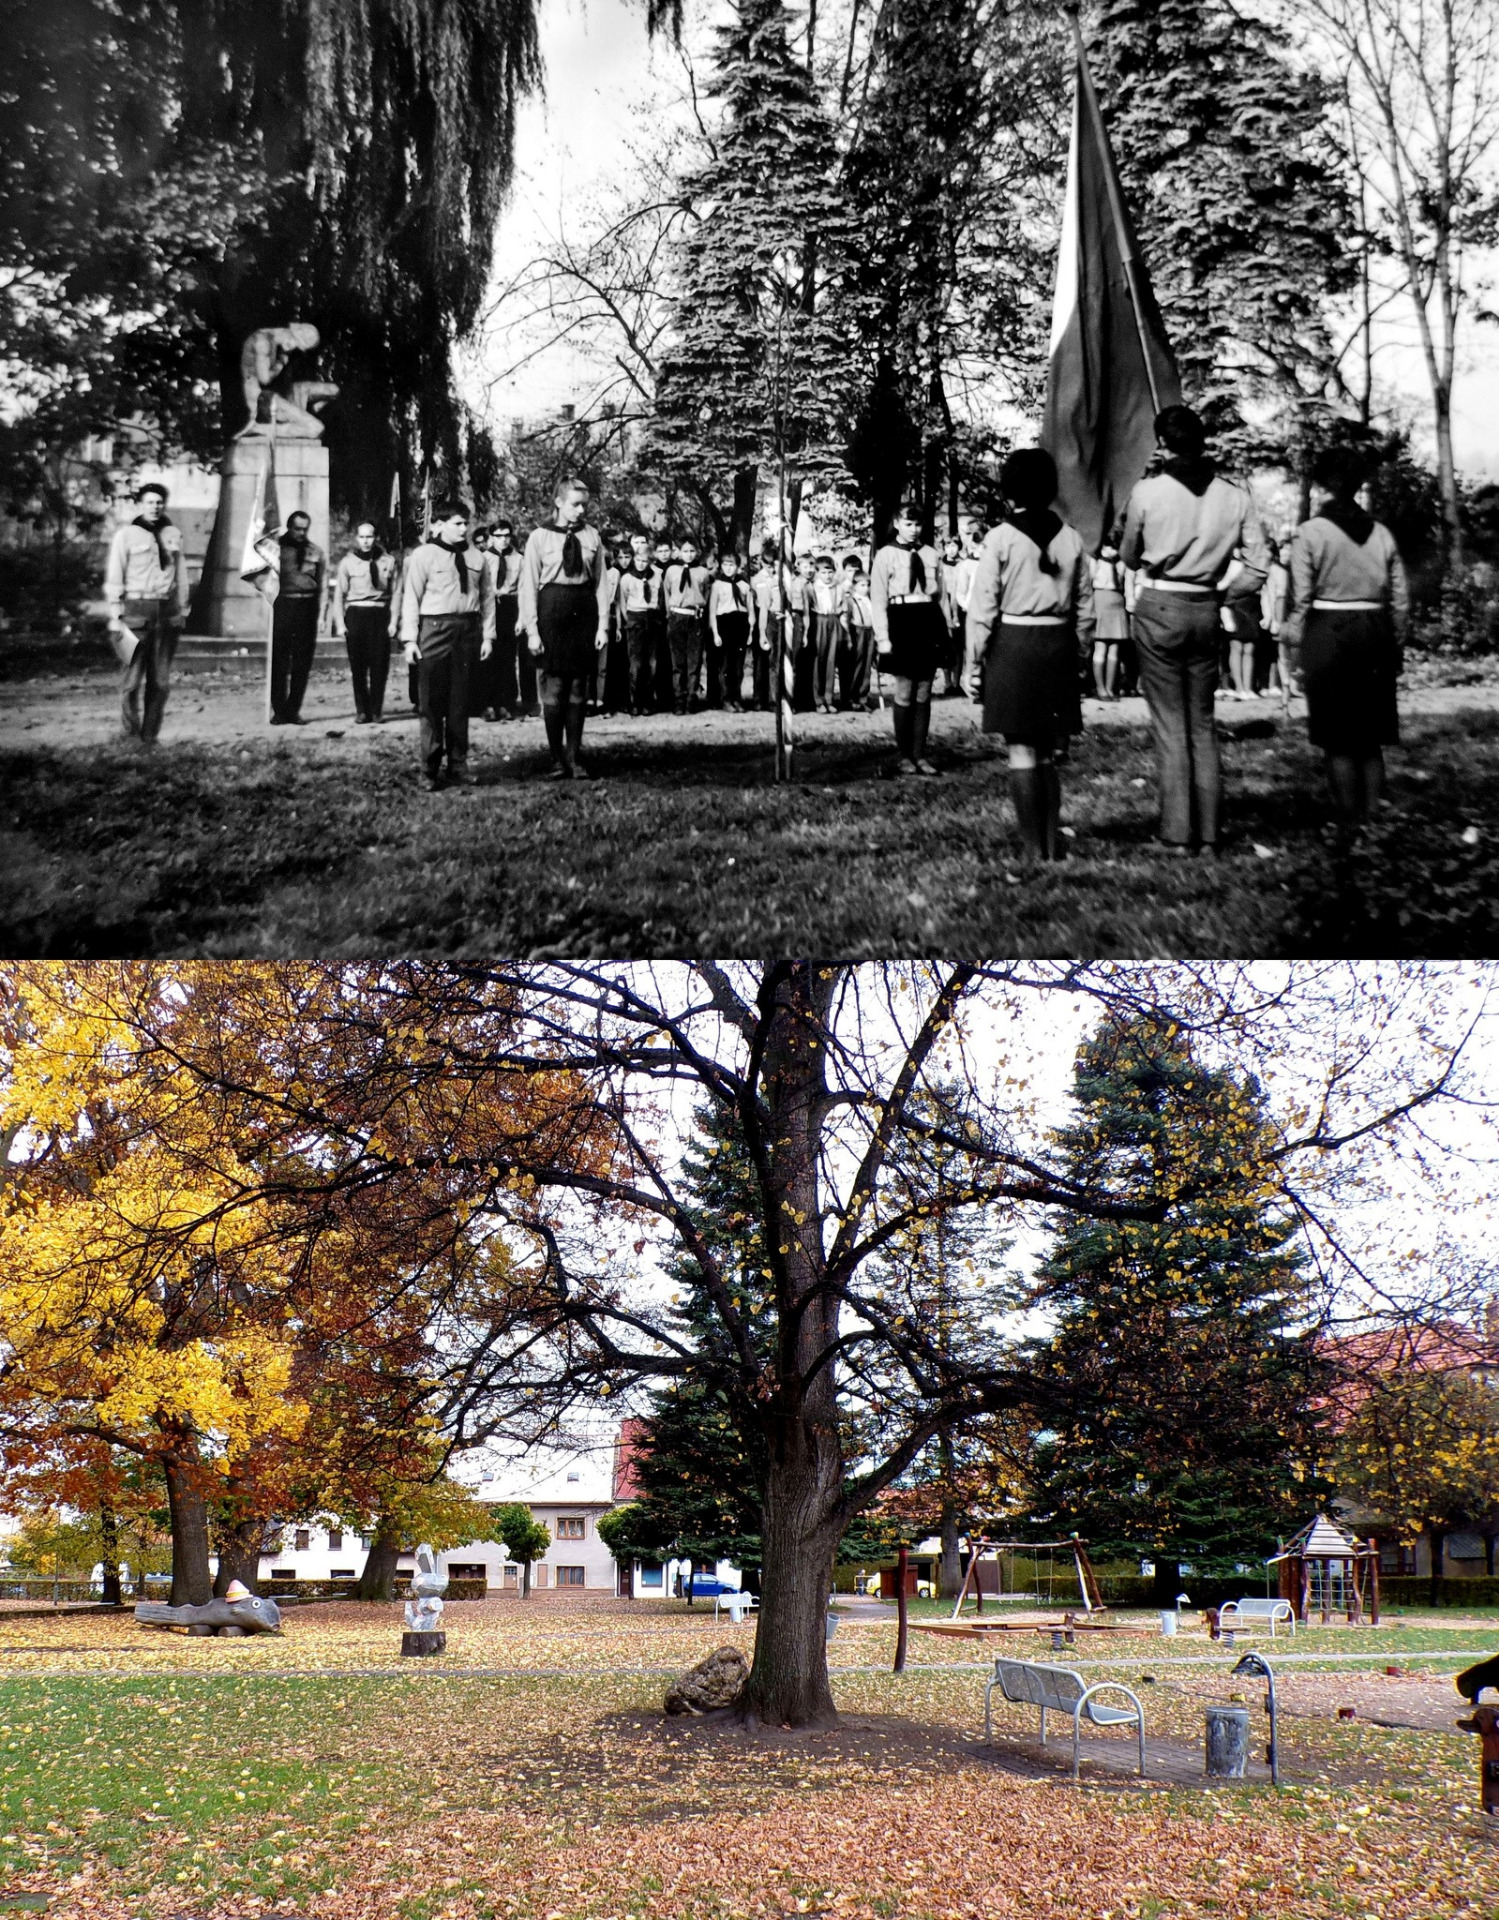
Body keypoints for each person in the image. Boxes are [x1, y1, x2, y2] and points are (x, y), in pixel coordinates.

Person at [1120, 404, 1269, 853]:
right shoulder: (1235, 496)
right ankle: (1208, 833)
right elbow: (1259, 565)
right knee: (1202, 723)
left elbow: (1128, 556)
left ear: (1162, 443)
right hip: (1205, 605)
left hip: (1161, 603)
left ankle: (1176, 833)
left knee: (1170, 724)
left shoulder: (1146, 493)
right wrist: (1225, 594)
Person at [967, 448, 1095, 861]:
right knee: (1046, 753)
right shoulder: (1072, 537)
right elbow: (1085, 608)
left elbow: (982, 607)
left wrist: (973, 662)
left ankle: (1032, 848)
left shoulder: (1000, 539)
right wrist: (1081, 655)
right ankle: (1052, 844)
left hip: (1014, 646)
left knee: (1021, 750)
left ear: (1008, 491)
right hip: (1057, 645)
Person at [1282, 445, 1409, 827]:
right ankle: (1372, 813)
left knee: (1337, 734)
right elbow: (1400, 597)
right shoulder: (1382, 533)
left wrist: (1291, 641)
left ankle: (1346, 815)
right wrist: (1397, 640)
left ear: (1322, 483)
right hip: (1374, 631)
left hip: (1329, 631)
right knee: (1370, 734)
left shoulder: (1310, 533)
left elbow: (1301, 597)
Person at [518, 475, 612, 779]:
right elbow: (528, 586)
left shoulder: (592, 537)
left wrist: (602, 627)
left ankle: (574, 757)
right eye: (575, 505)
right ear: (559, 503)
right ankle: (555, 758)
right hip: (551, 612)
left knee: (578, 688)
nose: (581, 510)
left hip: (582, 613)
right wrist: (532, 630)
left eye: (585, 505)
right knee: (555, 687)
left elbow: (601, 584)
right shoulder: (539, 538)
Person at [399, 498, 495, 790]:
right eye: (457, 523)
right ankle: (428, 769)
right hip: (434, 629)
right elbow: (411, 598)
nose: (464, 528)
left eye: (466, 523)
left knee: (460, 702)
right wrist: (409, 639)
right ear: (439, 526)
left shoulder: (478, 557)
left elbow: (488, 599)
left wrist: (488, 635)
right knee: (430, 703)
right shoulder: (424, 555)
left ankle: (458, 765)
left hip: (467, 630)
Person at [103, 482, 190, 744]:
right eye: (150, 502)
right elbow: (115, 575)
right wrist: (116, 614)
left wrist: (182, 609)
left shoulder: (173, 533)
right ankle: (131, 734)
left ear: (165, 504)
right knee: (131, 680)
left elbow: (181, 574)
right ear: (140, 505)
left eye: (159, 502)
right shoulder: (126, 535)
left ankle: (150, 736)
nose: (155, 507)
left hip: (166, 609)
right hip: (135, 610)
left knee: (160, 680)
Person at [870, 503, 945, 775]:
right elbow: (878, 598)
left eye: (918, 524)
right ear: (897, 523)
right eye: (908, 523)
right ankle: (904, 756)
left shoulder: (931, 554)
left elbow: (942, 596)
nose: (914, 530)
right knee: (904, 690)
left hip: (927, 619)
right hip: (900, 621)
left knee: (924, 690)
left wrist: (944, 631)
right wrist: (883, 639)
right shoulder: (885, 555)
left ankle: (920, 754)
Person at [331, 521, 395, 723]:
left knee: (379, 665)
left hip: (379, 615)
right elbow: (339, 596)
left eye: (370, 536)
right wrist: (340, 624)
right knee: (358, 666)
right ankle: (362, 710)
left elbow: (397, 594)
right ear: (357, 539)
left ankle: (376, 710)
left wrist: (394, 622)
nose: (366, 541)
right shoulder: (347, 563)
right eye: (362, 537)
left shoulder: (389, 562)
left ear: (376, 538)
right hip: (356, 615)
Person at [269, 510, 327, 724]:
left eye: (305, 529)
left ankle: (294, 710)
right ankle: (279, 710)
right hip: (284, 603)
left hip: (307, 605)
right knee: (280, 660)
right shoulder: (275, 549)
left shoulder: (315, 551)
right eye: (297, 528)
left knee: (302, 661)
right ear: (288, 526)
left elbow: (322, 583)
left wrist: (322, 614)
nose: (301, 533)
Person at [663, 538, 711, 714]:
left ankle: (691, 697)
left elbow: (706, 593)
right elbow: (666, 592)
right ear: (679, 552)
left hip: (695, 618)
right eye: (685, 551)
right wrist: (670, 613)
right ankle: (679, 699)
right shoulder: (671, 571)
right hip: (677, 617)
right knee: (678, 662)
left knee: (694, 661)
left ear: (697, 552)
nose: (688, 555)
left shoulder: (703, 572)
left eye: (692, 551)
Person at [616, 533, 660, 716]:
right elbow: (623, 603)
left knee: (652, 664)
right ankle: (635, 702)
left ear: (650, 561)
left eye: (645, 561)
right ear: (634, 559)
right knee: (635, 664)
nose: (642, 564)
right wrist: (629, 621)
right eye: (639, 560)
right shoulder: (626, 579)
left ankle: (648, 701)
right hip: (635, 619)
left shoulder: (657, 577)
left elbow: (661, 600)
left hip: (652, 619)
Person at [1221, 542, 1270, 698]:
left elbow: (1265, 589)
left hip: (1253, 606)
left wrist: (1267, 614)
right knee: (1237, 647)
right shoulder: (1233, 565)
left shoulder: (1258, 566)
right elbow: (1225, 586)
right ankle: (1239, 688)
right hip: (1236, 606)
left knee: (1250, 649)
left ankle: (1248, 688)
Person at [709, 550, 752, 711]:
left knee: (738, 667)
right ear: (721, 566)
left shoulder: (744, 585)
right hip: (724, 624)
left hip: (740, 624)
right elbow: (713, 611)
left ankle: (737, 698)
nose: (728, 568)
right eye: (725, 565)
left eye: (732, 565)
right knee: (726, 666)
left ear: (738, 567)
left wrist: (750, 630)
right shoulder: (717, 585)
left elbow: (750, 611)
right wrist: (715, 633)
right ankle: (726, 699)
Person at [808, 554, 845, 713]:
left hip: (833, 620)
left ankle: (829, 699)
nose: (827, 576)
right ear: (817, 573)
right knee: (819, 660)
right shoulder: (812, 587)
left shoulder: (839, 587)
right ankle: (818, 700)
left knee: (831, 660)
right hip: (818, 621)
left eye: (830, 572)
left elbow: (843, 609)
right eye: (823, 572)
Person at [1090, 541, 1128, 699]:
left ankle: (1109, 689)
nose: (1111, 550)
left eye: (1114, 546)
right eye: (1109, 546)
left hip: (1113, 600)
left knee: (1113, 649)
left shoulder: (1119, 562)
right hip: (1104, 599)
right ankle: (1102, 689)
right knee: (1102, 648)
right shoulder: (1096, 560)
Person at [841, 565, 877, 711]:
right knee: (856, 664)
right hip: (857, 633)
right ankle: (851, 697)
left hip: (870, 632)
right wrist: (848, 636)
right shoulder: (851, 600)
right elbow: (846, 619)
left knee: (867, 665)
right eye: (862, 585)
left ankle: (863, 697)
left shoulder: (869, 600)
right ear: (854, 586)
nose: (866, 588)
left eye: (868, 585)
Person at [750, 542, 780, 711]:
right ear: (762, 563)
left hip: (772, 617)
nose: (770, 568)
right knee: (760, 661)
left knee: (773, 661)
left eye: (773, 564)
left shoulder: (778, 578)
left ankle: (772, 698)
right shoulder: (756, 579)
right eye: (767, 564)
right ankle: (757, 699)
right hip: (760, 619)